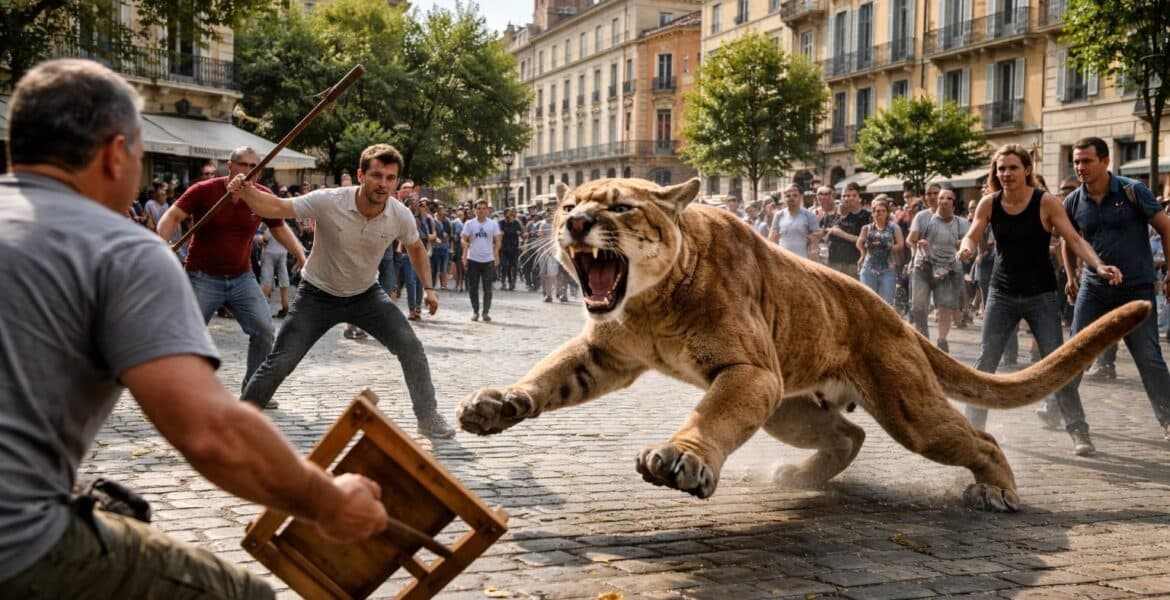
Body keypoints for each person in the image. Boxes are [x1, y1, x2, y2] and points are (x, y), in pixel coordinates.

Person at [0, 58, 389, 599]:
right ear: (116, 155)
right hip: (15, 545)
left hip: (238, 281)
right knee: (244, 595)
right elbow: (211, 433)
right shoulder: (118, 247)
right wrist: (329, 500)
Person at [228, 144, 457, 439]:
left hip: (366, 295)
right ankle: (237, 421)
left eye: (390, 178)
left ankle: (428, 417)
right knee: (281, 361)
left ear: (397, 182)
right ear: (361, 175)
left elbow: (415, 247)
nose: (383, 184)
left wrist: (428, 288)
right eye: (376, 175)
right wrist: (246, 192)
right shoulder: (329, 200)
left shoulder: (400, 215)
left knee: (410, 347)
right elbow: (278, 208)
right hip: (317, 294)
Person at [958, 143, 1122, 455]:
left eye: (1013, 168)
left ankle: (1078, 431)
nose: (1006, 174)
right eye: (1001, 168)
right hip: (1002, 293)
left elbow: (1074, 239)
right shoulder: (988, 203)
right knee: (985, 362)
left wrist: (1098, 265)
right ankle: (971, 433)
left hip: (1041, 295)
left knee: (1057, 365)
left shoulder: (1045, 202)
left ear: (1027, 170)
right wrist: (966, 247)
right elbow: (973, 233)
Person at [157, 147, 307, 395]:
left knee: (264, 330)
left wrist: (301, 256)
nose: (249, 172)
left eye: (254, 167)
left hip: (242, 277)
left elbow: (279, 227)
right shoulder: (205, 190)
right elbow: (172, 216)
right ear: (231, 166)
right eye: (244, 165)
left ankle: (254, 389)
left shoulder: (261, 196)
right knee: (189, 334)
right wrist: (160, 245)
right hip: (202, 275)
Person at [1060, 136, 1170, 448]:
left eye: (1087, 160)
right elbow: (1070, 240)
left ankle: (1168, 420)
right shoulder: (1073, 201)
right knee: (1074, 355)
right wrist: (1071, 275)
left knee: (1149, 357)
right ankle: (1074, 425)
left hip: (1136, 289)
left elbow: (1166, 227)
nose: (1080, 167)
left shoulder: (1133, 190)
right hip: (1094, 291)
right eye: (1077, 161)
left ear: (1105, 161)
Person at [908, 188, 969, 352]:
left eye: (948, 198)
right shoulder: (922, 217)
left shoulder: (961, 223)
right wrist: (919, 246)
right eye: (940, 197)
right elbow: (911, 239)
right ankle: (924, 339)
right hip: (924, 266)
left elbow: (967, 244)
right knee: (919, 306)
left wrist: (962, 249)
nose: (942, 200)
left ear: (954, 203)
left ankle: (942, 341)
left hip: (948, 269)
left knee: (944, 307)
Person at [856, 196, 905, 306]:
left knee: (886, 303)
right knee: (867, 301)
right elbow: (859, 243)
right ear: (872, 213)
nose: (880, 213)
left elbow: (901, 245)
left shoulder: (894, 228)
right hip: (869, 267)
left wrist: (888, 246)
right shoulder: (866, 228)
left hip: (887, 268)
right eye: (877, 211)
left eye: (883, 211)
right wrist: (864, 249)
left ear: (887, 213)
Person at [462, 199, 502, 321]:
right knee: (473, 287)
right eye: (478, 208)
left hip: (488, 259)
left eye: (484, 208)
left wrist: (496, 253)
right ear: (475, 210)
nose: (481, 211)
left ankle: (485, 312)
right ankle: (475, 311)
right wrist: (464, 251)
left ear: (487, 210)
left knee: (487, 288)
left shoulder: (493, 224)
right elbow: (463, 239)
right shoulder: (469, 224)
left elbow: (498, 240)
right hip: (473, 259)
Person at [824, 181, 871, 277]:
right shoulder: (833, 215)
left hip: (854, 263)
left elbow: (866, 241)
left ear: (859, 198)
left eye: (852, 195)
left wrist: (841, 234)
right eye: (844, 196)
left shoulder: (867, 216)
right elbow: (824, 238)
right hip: (834, 262)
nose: (848, 198)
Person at [768, 184, 820, 259]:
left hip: (802, 260)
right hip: (783, 260)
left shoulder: (809, 215)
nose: (791, 198)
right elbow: (772, 239)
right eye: (788, 196)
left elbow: (815, 241)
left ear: (801, 197)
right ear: (784, 198)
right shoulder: (779, 215)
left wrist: (813, 261)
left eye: (795, 195)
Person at [257, 223, 291, 318]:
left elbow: (264, 239)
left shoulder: (269, 226)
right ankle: (285, 307)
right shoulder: (286, 227)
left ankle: (261, 309)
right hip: (283, 253)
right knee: (284, 279)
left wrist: (260, 239)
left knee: (266, 280)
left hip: (269, 253)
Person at [499, 207, 525, 290]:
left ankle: (512, 282)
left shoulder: (517, 223)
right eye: (511, 214)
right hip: (504, 247)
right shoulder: (502, 222)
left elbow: (522, 233)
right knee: (504, 265)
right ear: (508, 214)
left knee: (513, 266)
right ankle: (503, 282)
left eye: (514, 214)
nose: (513, 216)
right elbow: (499, 232)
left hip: (514, 247)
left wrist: (521, 234)